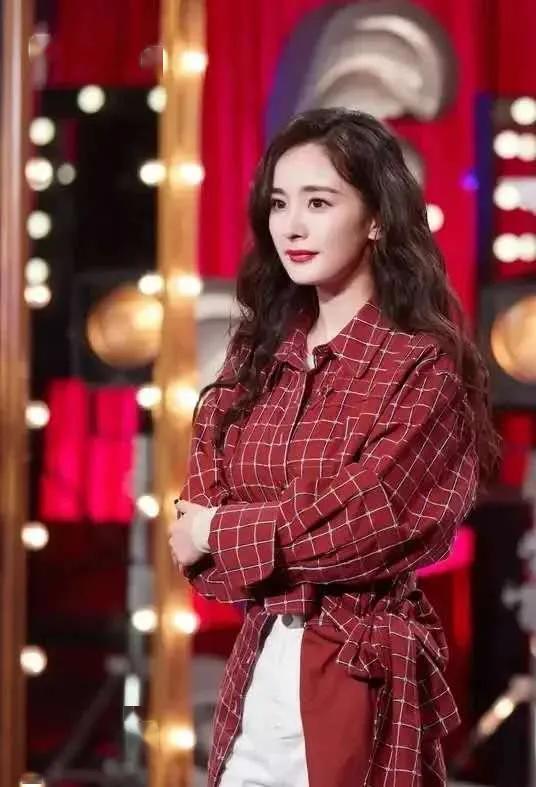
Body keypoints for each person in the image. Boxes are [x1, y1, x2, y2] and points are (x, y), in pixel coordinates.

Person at [169, 108, 499, 787]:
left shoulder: (421, 365)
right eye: (279, 204)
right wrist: (237, 538)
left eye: (318, 203)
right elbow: (199, 559)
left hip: (358, 677)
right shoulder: (259, 357)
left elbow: (368, 525)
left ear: (376, 218)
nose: (291, 226)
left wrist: (221, 530)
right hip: (255, 675)